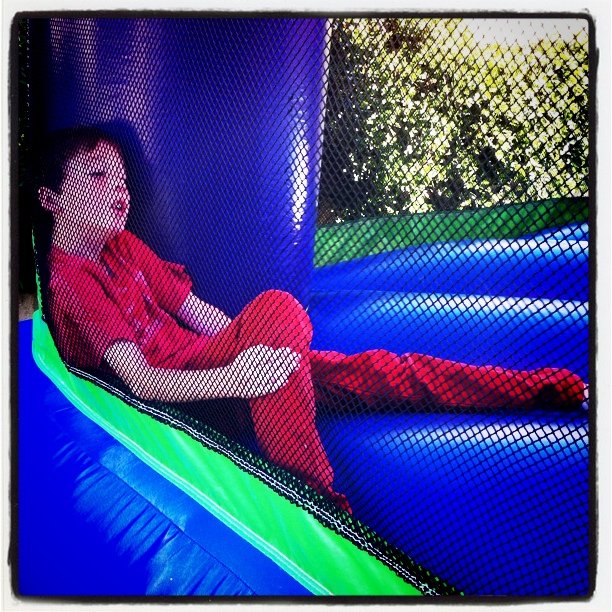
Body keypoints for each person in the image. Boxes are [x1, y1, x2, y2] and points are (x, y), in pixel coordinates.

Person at [37, 127, 586, 513]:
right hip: (188, 398)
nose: (121, 190)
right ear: (51, 199)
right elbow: (138, 378)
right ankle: (321, 506)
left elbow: (192, 312)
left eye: (123, 178)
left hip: (216, 368)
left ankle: (543, 388)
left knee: (375, 371)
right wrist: (238, 375)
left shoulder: (123, 246)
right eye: (97, 176)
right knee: (279, 308)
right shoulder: (70, 280)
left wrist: (258, 349)